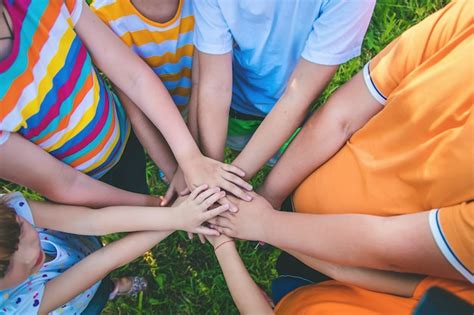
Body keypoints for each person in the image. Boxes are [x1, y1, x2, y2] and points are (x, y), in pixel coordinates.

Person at [212, 0, 474, 313]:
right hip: (311, 235)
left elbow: (387, 246)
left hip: (349, 275)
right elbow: (342, 114)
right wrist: (271, 195)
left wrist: (265, 224)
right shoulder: (467, 18)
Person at [0, 0, 252, 212]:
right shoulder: (108, 12)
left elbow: (135, 78)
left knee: (133, 178)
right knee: (110, 223)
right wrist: (162, 206)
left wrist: (188, 160)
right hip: (81, 182)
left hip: (122, 133)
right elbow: (65, 184)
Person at [193, 0, 375, 180]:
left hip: (297, 115)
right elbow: (215, 86)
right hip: (235, 105)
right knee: (240, 146)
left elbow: (298, 96)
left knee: (290, 175)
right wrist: (214, 175)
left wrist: (230, 182)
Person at [0, 184, 228, 314]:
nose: (31, 252)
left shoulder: (5, 212)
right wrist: (177, 218)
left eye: (20, 228)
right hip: (76, 301)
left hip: (78, 245)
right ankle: (114, 289)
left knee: (98, 271)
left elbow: (93, 221)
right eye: (6, 266)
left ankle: (111, 285)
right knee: (97, 295)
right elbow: (104, 261)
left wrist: (177, 216)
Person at [90, 0, 199, 201]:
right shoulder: (103, 17)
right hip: (150, 114)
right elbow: (137, 115)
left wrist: (193, 161)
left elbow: (202, 84)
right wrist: (175, 171)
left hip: (196, 98)